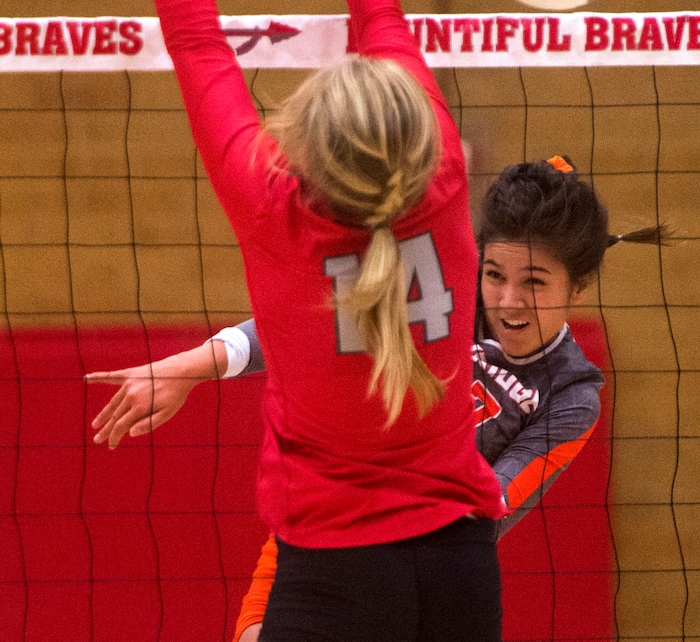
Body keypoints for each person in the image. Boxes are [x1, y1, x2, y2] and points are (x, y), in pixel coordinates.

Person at [77, 0, 506, 641]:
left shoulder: (275, 208)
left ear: (304, 147)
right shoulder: (447, 176)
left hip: (337, 572)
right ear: (416, 127)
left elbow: (197, 41)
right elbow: (381, 15)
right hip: (463, 563)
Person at [86, 154, 670, 642]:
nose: (510, 300)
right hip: (322, 528)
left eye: (536, 283)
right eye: (495, 274)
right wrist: (184, 369)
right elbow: (305, 325)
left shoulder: (571, 395)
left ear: (580, 283)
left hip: (430, 572)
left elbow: (492, 502)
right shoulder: (444, 291)